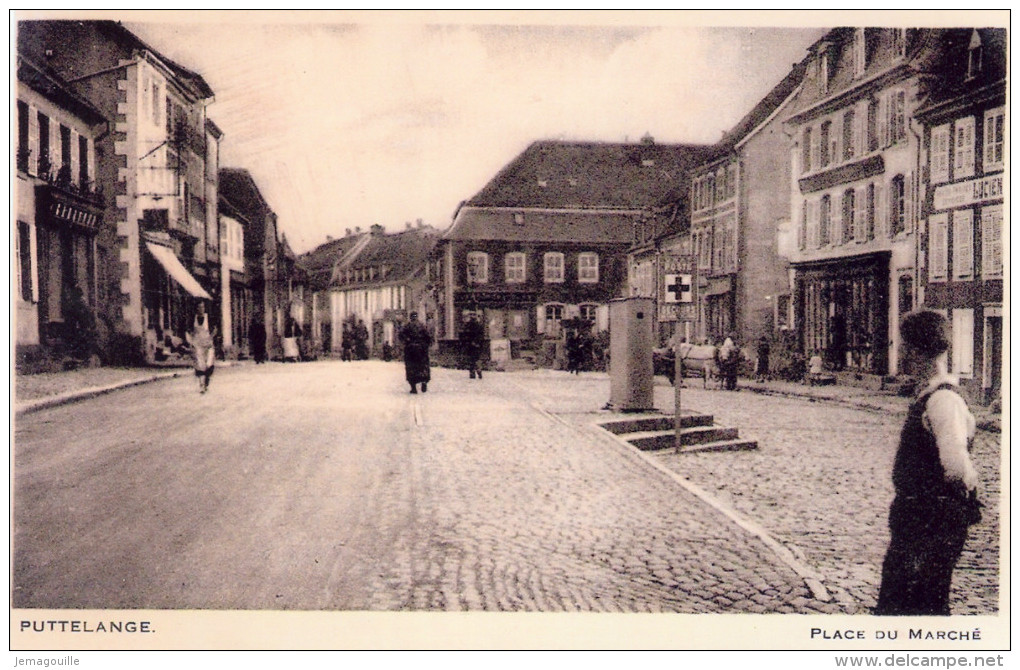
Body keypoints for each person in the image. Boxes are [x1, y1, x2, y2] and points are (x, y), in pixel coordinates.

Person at [875, 310, 981, 616]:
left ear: (916, 351)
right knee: (903, 603)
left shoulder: (943, 400)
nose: (903, 354)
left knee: (919, 605)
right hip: (917, 520)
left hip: (928, 523)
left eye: (905, 347)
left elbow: (957, 467)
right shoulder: (930, 396)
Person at [399, 312, 432, 393]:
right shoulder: (422, 326)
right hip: (422, 349)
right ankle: (424, 381)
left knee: (411, 367)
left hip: (410, 349)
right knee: (423, 366)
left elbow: (400, 335)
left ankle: (413, 387)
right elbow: (428, 337)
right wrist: (426, 345)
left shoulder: (407, 326)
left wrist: (407, 341)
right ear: (417, 317)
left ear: (410, 317)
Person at [190, 301, 216, 393]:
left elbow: (215, 330)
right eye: (199, 307)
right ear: (196, 309)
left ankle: (206, 380)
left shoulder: (209, 319)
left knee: (209, 364)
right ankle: (202, 385)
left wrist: (211, 337)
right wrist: (191, 341)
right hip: (198, 345)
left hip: (208, 345)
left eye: (202, 307)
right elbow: (189, 331)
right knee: (200, 365)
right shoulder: (193, 319)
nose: (201, 309)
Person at [460, 313, 485, 379]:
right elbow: (481, 336)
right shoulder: (479, 325)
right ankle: (478, 371)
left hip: (470, 344)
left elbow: (463, 334)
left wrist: (465, 342)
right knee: (476, 358)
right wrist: (478, 343)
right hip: (476, 345)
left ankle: (473, 372)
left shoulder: (468, 325)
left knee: (471, 359)